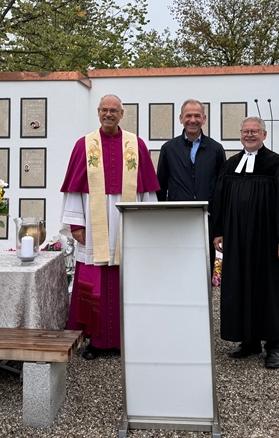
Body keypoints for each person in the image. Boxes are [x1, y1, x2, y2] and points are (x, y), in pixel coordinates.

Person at [60, 94, 160, 360]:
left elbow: (147, 189)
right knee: (94, 282)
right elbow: (74, 189)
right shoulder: (84, 145)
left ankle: (128, 338)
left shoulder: (136, 144)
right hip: (95, 227)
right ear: (98, 112)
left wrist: (146, 223)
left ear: (121, 114)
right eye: (104, 110)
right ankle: (96, 340)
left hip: (127, 222)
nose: (108, 114)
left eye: (113, 110)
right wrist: (77, 224)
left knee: (128, 280)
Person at [212, 116, 279, 369]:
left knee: (269, 290)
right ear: (240, 134)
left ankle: (275, 345)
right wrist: (218, 232)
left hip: (268, 242)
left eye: (254, 131)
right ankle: (249, 341)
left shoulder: (278, 165)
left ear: (264, 135)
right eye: (245, 131)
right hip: (237, 241)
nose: (249, 135)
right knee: (240, 286)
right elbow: (219, 200)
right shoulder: (231, 165)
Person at [156, 99, 226, 272]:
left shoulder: (216, 149)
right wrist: (162, 219)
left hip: (207, 220)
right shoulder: (168, 149)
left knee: (205, 268)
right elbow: (161, 186)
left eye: (197, 116)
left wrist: (219, 227)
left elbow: (222, 189)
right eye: (188, 116)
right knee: (177, 266)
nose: (192, 120)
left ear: (204, 119)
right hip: (178, 219)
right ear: (181, 118)